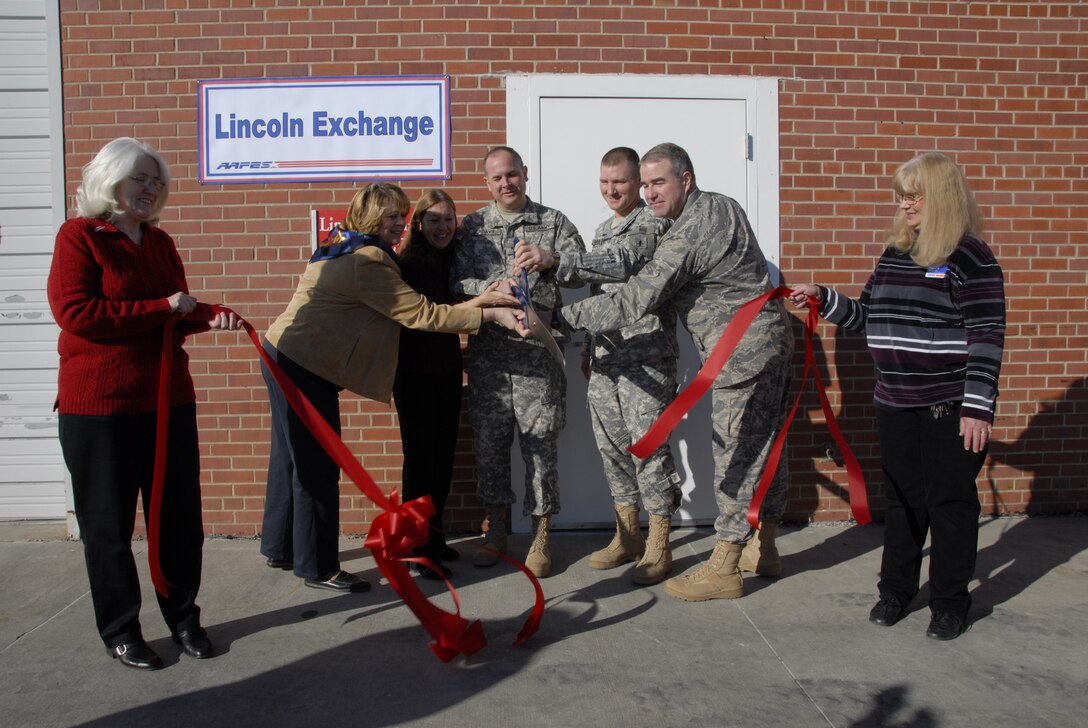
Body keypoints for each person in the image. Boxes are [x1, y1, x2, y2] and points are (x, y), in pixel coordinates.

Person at [553, 142, 794, 602]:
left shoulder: (692, 228)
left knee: (736, 453)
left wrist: (563, 320)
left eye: (658, 182)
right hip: (764, 343)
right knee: (766, 448)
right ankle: (763, 548)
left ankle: (725, 565)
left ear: (686, 179)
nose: (649, 194)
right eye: (644, 184)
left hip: (741, 353)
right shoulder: (722, 206)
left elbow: (638, 296)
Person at [261, 182, 525, 594]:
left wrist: (482, 301)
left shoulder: (344, 243)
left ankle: (281, 547)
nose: (400, 224)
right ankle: (318, 566)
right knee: (316, 465)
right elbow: (422, 315)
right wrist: (492, 314)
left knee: (291, 459)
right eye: (392, 217)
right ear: (371, 218)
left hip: (286, 353)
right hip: (302, 364)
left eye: (402, 215)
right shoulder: (369, 261)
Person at [789, 152, 1006, 640]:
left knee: (949, 503)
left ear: (942, 197)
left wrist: (978, 406)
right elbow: (869, 317)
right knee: (904, 500)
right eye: (901, 195)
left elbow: (988, 336)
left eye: (914, 194)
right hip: (895, 401)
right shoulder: (895, 254)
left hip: (949, 405)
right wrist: (825, 299)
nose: (905, 204)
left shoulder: (972, 259)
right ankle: (896, 590)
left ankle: (950, 602)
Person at [48, 137, 242, 671]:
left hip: (167, 401)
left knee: (179, 520)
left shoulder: (159, 242)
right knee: (108, 526)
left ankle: (184, 619)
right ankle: (121, 630)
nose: (151, 189)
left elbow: (173, 315)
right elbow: (78, 313)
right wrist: (164, 306)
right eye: (141, 178)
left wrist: (209, 314)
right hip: (100, 409)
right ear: (110, 180)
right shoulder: (80, 237)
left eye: (157, 181)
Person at [512, 147, 682, 585]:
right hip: (607, 357)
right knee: (612, 448)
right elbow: (598, 294)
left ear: (638, 184)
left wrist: (557, 258)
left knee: (649, 449)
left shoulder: (653, 223)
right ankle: (627, 534)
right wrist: (587, 348)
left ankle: (660, 542)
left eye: (620, 183)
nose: (611, 191)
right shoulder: (604, 229)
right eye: (604, 183)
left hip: (647, 356)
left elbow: (623, 262)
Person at [450, 146, 586, 577]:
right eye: (496, 178)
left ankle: (541, 534)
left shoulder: (555, 222)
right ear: (486, 183)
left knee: (540, 447)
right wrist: (493, 285)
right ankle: (497, 532)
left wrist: (551, 259)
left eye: (512, 175)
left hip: (538, 356)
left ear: (525, 174)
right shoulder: (471, 227)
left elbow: (581, 271)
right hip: (490, 357)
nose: (506, 183)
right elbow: (454, 280)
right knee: (490, 447)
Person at [393, 190, 469, 580]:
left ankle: (434, 541)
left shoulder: (452, 260)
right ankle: (414, 549)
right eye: (434, 219)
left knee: (441, 461)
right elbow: (429, 317)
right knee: (421, 464)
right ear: (419, 224)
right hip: (414, 374)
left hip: (445, 371)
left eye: (448, 219)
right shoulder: (410, 264)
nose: (442, 227)